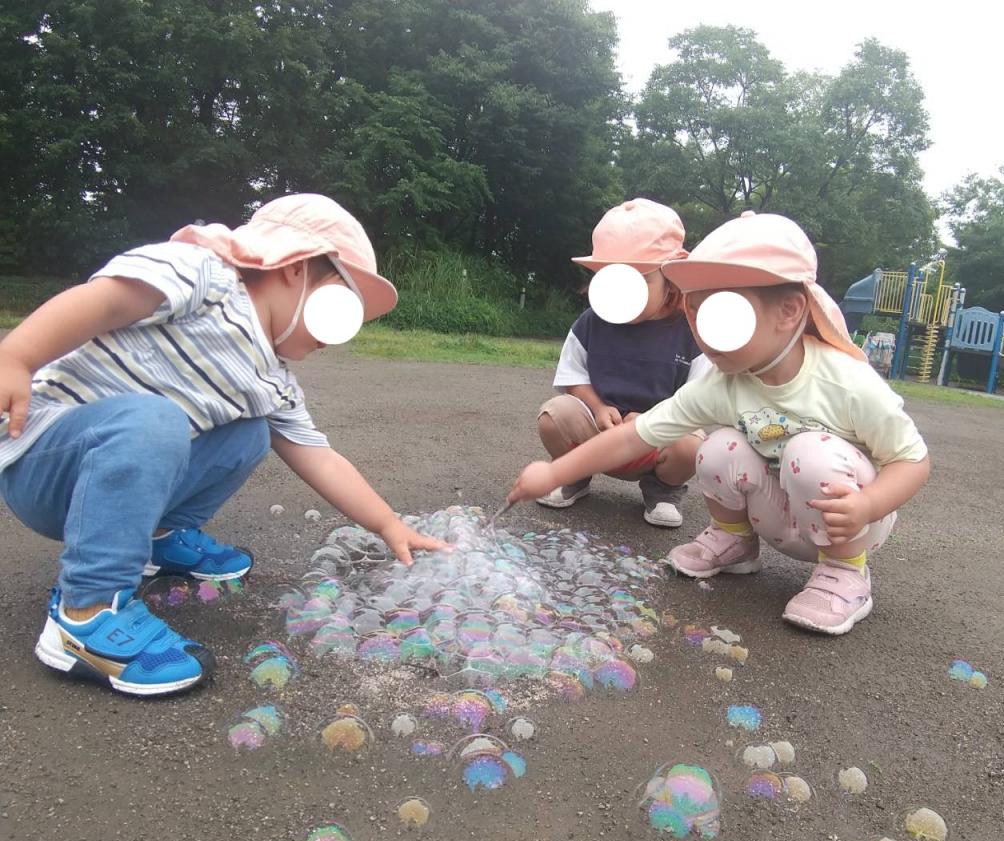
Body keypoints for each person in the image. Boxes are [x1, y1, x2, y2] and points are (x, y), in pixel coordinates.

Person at [0, 193, 446, 696]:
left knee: (249, 433)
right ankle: (84, 614)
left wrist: (388, 524)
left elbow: (319, 457)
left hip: (121, 482)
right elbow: (106, 300)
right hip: (44, 459)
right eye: (341, 302)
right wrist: (17, 356)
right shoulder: (204, 276)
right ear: (293, 267)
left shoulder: (273, 381)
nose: (340, 334)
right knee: (156, 419)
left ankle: (157, 538)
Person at [508, 211, 930, 636]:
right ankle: (735, 542)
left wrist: (867, 506)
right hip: (780, 514)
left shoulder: (846, 381)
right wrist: (553, 472)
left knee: (808, 452)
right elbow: (633, 436)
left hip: (851, 520)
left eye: (723, 318)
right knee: (719, 445)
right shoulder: (723, 381)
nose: (704, 336)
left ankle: (845, 572)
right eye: (695, 315)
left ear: (789, 310)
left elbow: (912, 460)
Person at [536, 198, 707, 528]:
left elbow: (700, 399)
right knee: (554, 414)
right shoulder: (591, 322)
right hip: (599, 434)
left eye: (639, 281)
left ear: (671, 278)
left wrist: (654, 420)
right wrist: (598, 407)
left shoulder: (690, 330)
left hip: (658, 439)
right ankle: (575, 473)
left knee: (694, 442)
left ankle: (663, 489)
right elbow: (572, 375)